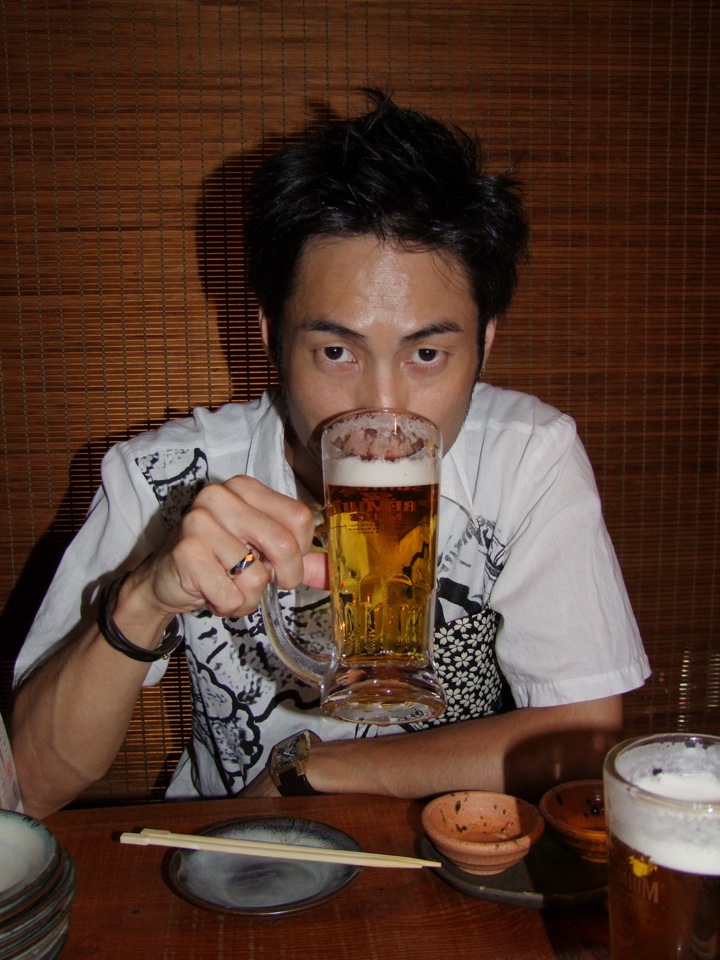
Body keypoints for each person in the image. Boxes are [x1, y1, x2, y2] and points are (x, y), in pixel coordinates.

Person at [11, 91, 650, 819]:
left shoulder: (527, 458)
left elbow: (584, 736)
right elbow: (29, 783)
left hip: (447, 845)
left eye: (427, 354)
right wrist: (143, 600)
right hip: (232, 850)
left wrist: (315, 772)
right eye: (337, 352)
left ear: (485, 345)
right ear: (272, 337)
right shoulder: (165, 477)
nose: (381, 412)